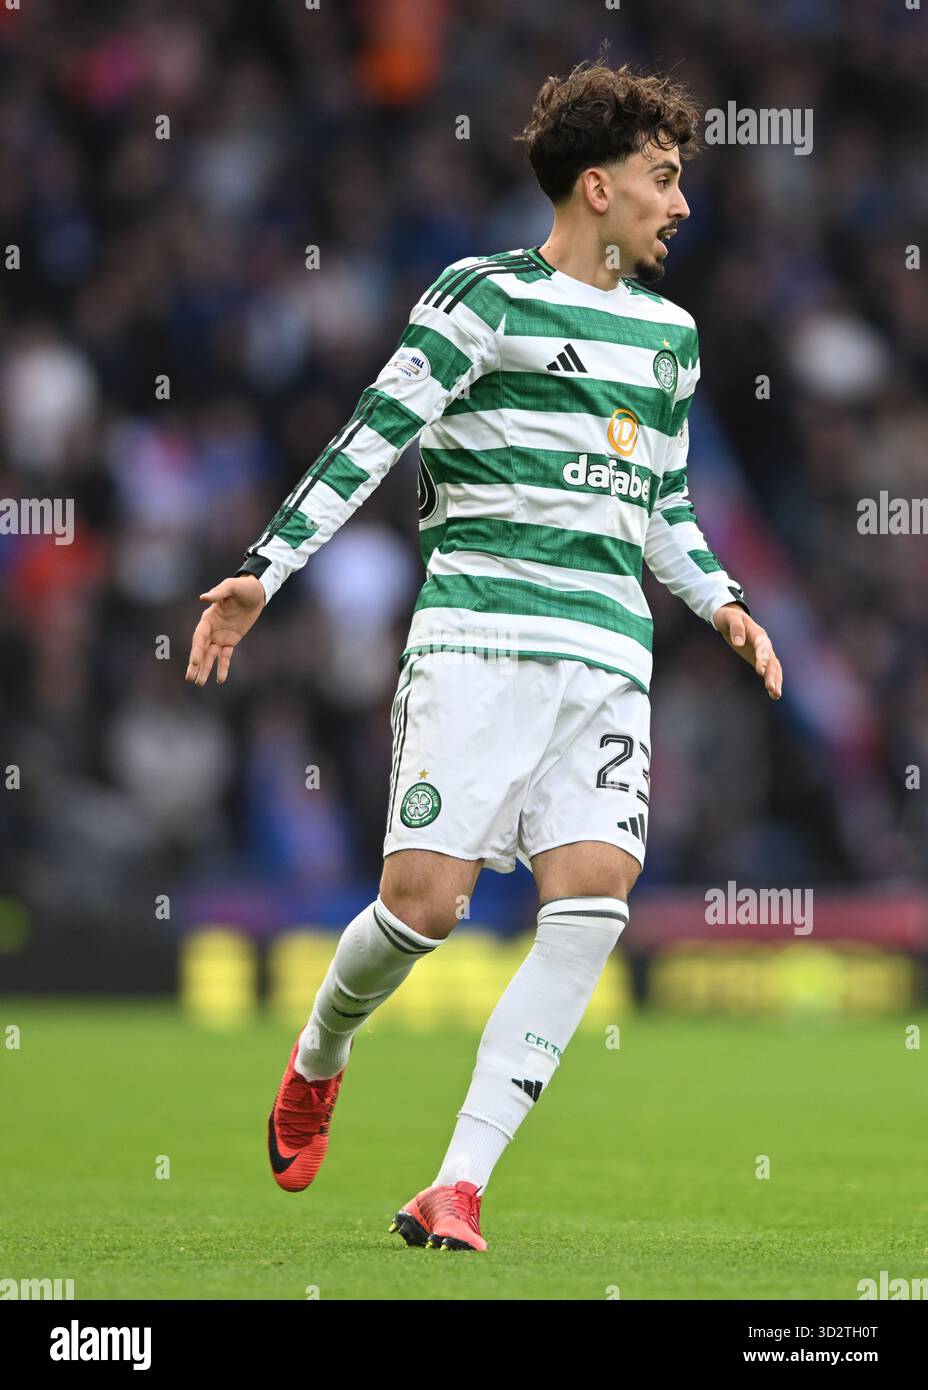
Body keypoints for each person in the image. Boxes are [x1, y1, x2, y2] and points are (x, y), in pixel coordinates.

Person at [185, 57, 782, 1253]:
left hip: (605, 658)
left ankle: (455, 1182)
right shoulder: (480, 299)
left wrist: (721, 599)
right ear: (597, 187)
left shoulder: (671, 337)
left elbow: (660, 504)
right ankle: (320, 1054)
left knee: (593, 896)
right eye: (663, 181)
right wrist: (266, 566)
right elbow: (373, 433)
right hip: (477, 642)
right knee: (424, 907)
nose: (680, 206)